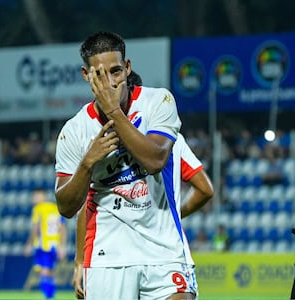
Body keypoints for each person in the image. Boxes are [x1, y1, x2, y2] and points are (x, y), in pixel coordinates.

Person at [55, 31, 192, 299]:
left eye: (116, 71)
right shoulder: (74, 130)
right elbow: (67, 206)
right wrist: (87, 165)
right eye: (99, 75)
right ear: (86, 75)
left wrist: (115, 113)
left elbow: (154, 160)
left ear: (128, 68)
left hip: (164, 252)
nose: (110, 83)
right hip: (107, 258)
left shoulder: (158, 102)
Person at [72, 132, 214, 299]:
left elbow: (87, 202)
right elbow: (205, 190)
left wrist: (80, 261)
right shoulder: (170, 138)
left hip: (111, 255)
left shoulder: (99, 141)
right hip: (164, 252)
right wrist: (170, 214)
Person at [24, 189, 67, 300]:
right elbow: (63, 228)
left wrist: (29, 244)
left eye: (36, 196)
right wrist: (62, 246)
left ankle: (48, 296)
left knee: (44, 270)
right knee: (50, 271)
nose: (34, 199)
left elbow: (36, 227)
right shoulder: (55, 208)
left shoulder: (38, 209)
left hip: (43, 245)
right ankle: (50, 295)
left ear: (42, 196)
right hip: (55, 245)